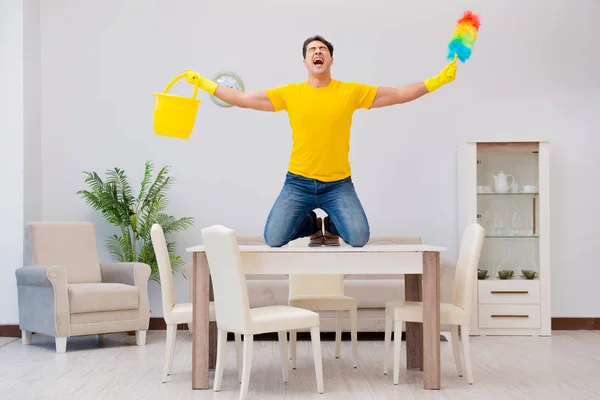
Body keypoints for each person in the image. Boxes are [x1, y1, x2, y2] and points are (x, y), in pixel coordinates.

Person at [185, 35, 457, 247]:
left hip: (338, 185)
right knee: (274, 238)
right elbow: (243, 100)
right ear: (305, 61)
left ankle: (333, 222)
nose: (317, 52)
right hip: (298, 182)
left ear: (331, 59)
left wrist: (437, 81)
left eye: (322, 50)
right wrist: (206, 85)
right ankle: (314, 224)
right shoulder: (290, 94)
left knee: (359, 237)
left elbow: (398, 93)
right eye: (311, 50)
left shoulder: (350, 92)